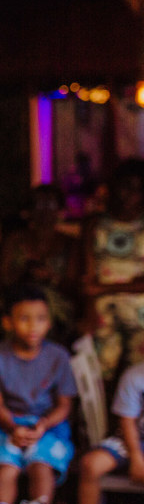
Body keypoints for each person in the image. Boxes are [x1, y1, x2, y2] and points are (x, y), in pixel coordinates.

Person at [0, 284, 77, 504]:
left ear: (49, 322)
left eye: (41, 319)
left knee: (41, 463)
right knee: (6, 465)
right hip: (6, 424)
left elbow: (64, 405)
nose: (33, 326)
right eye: (24, 318)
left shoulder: (58, 356)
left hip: (48, 426)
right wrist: (12, 427)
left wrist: (43, 425)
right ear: (8, 322)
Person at [81, 158, 144, 384]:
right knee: (99, 377)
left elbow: (95, 286)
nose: (129, 195)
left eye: (138, 189)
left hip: (140, 316)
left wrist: (104, 287)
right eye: (125, 186)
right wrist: (88, 314)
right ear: (114, 187)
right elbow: (88, 280)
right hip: (102, 312)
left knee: (138, 380)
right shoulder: (95, 225)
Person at [71, 360, 144, 504]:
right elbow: (127, 422)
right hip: (133, 440)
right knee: (91, 464)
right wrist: (136, 458)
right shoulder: (135, 375)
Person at [0, 184, 80, 343]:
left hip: (57, 309)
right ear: (29, 211)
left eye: (50, 205)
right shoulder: (15, 240)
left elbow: (73, 286)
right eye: (39, 205)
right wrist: (24, 273)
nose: (44, 211)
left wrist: (51, 277)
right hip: (18, 302)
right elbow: (2, 279)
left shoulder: (70, 243)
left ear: (60, 209)